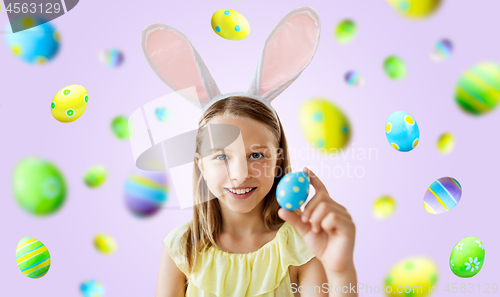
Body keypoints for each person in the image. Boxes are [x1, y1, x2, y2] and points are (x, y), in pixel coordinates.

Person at [139, 6, 358, 297]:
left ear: (278, 159)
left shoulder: (303, 244)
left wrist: (341, 271)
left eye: (257, 155)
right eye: (221, 156)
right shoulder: (182, 248)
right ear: (200, 165)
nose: (240, 174)